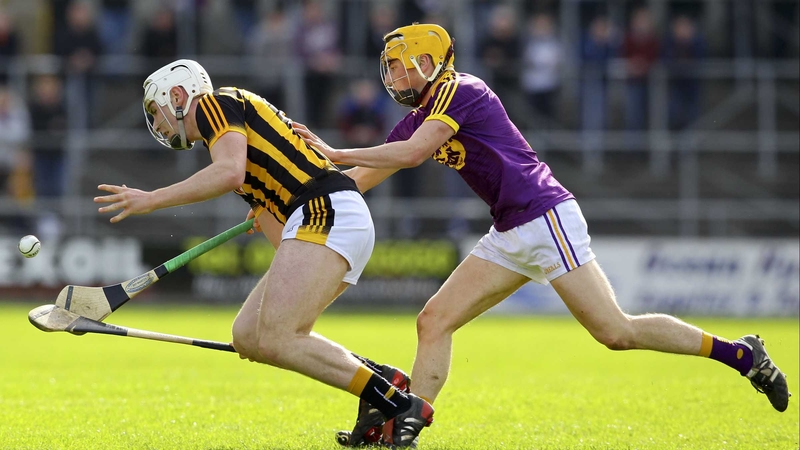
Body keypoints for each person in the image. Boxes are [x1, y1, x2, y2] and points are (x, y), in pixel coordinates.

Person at [293, 23, 791, 447]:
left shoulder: (461, 89)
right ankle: (409, 421)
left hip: (545, 216)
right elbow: (363, 178)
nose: (394, 77)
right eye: (390, 68)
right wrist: (293, 201)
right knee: (434, 320)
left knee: (616, 333)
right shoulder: (417, 117)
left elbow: (411, 154)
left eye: (400, 66)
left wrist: (337, 152)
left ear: (428, 62)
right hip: (509, 229)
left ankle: (741, 354)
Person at [93, 59, 434, 449]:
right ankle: (381, 380)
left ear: (178, 95)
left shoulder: (214, 104)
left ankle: (399, 404)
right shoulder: (233, 143)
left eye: (156, 111)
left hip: (326, 212)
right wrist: (267, 205)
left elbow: (228, 173)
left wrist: (152, 199)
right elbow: (274, 231)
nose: (157, 123)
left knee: (277, 335)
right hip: (324, 219)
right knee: (250, 336)